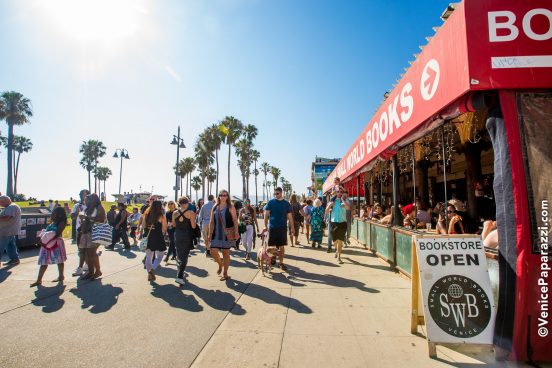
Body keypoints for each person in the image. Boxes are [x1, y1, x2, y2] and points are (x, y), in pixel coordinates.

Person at [30, 207, 67, 287]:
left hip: (56, 243)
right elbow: (47, 232)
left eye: (54, 212)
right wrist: (43, 238)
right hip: (46, 243)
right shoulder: (53, 222)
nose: (52, 214)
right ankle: (39, 280)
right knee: (44, 261)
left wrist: (46, 238)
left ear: (59, 214)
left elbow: (57, 233)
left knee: (59, 260)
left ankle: (61, 276)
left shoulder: (61, 222)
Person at [206, 190, 238, 281]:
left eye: (224, 195)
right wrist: (209, 234)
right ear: (219, 196)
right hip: (216, 233)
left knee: (226, 253)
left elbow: (235, 220)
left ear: (227, 196)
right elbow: (211, 221)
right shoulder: (215, 207)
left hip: (227, 234)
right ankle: (220, 264)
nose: (223, 197)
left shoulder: (230, 207)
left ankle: (225, 273)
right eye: (221, 195)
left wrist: (236, 232)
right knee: (213, 251)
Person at [264, 187, 294, 271]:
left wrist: (292, 228)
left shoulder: (286, 203)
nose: (276, 195)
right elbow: (266, 215)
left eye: (277, 193)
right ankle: (273, 258)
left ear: (281, 193)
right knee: (272, 246)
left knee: (282, 247)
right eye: (275, 194)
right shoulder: (271, 202)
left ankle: (281, 263)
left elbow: (290, 217)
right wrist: (265, 226)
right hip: (272, 227)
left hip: (282, 228)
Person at [78, 194, 106, 280]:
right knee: (88, 253)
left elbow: (100, 220)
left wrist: (86, 217)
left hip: (95, 232)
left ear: (93, 200)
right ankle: (94, 272)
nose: (85, 202)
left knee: (91, 254)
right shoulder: (88, 208)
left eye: (87, 200)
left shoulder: (99, 207)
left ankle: (93, 272)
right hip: (87, 232)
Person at [172, 196, 197, 285]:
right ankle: (180, 276)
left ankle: (179, 273)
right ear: (187, 203)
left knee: (179, 254)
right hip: (187, 235)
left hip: (177, 235)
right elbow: (193, 226)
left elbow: (174, 225)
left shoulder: (174, 213)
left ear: (179, 203)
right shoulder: (191, 213)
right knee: (185, 255)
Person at [143, 200, 168, 281]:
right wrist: (164, 232)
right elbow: (165, 227)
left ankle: (149, 274)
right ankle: (152, 269)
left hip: (148, 237)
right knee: (160, 255)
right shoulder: (160, 216)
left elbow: (143, 226)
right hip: (158, 237)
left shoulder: (146, 214)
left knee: (148, 257)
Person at [325, 186, 350, 264]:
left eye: (341, 192)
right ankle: (336, 249)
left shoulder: (345, 201)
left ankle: (339, 257)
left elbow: (348, 208)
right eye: (338, 192)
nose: (340, 193)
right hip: (333, 223)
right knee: (335, 240)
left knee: (340, 240)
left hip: (342, 223)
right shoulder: (332, 201)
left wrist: (343, 200)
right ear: (336, 192)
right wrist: (329, 206)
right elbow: (326, 211)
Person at [71, 189, 89, 275]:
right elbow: (72, 216)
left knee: (87, 249)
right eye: (82, 195)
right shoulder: (77, 205)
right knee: (80, 249)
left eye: (86, 195)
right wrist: (77, 213)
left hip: (88, 230)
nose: (84, 197)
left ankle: (82, 267)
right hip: (79, 229)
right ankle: (85, 265)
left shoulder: (91, 205)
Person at [0, 196, 21, 267]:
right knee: (10, 246)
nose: (0, 204)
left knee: (2, 246)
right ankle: (14, 259)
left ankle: (14, 259)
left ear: (4, 201)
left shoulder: (11, 207)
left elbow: (7, 217)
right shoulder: (12, 206)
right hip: (10, 231)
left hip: (5, 231)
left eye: (0, 203)